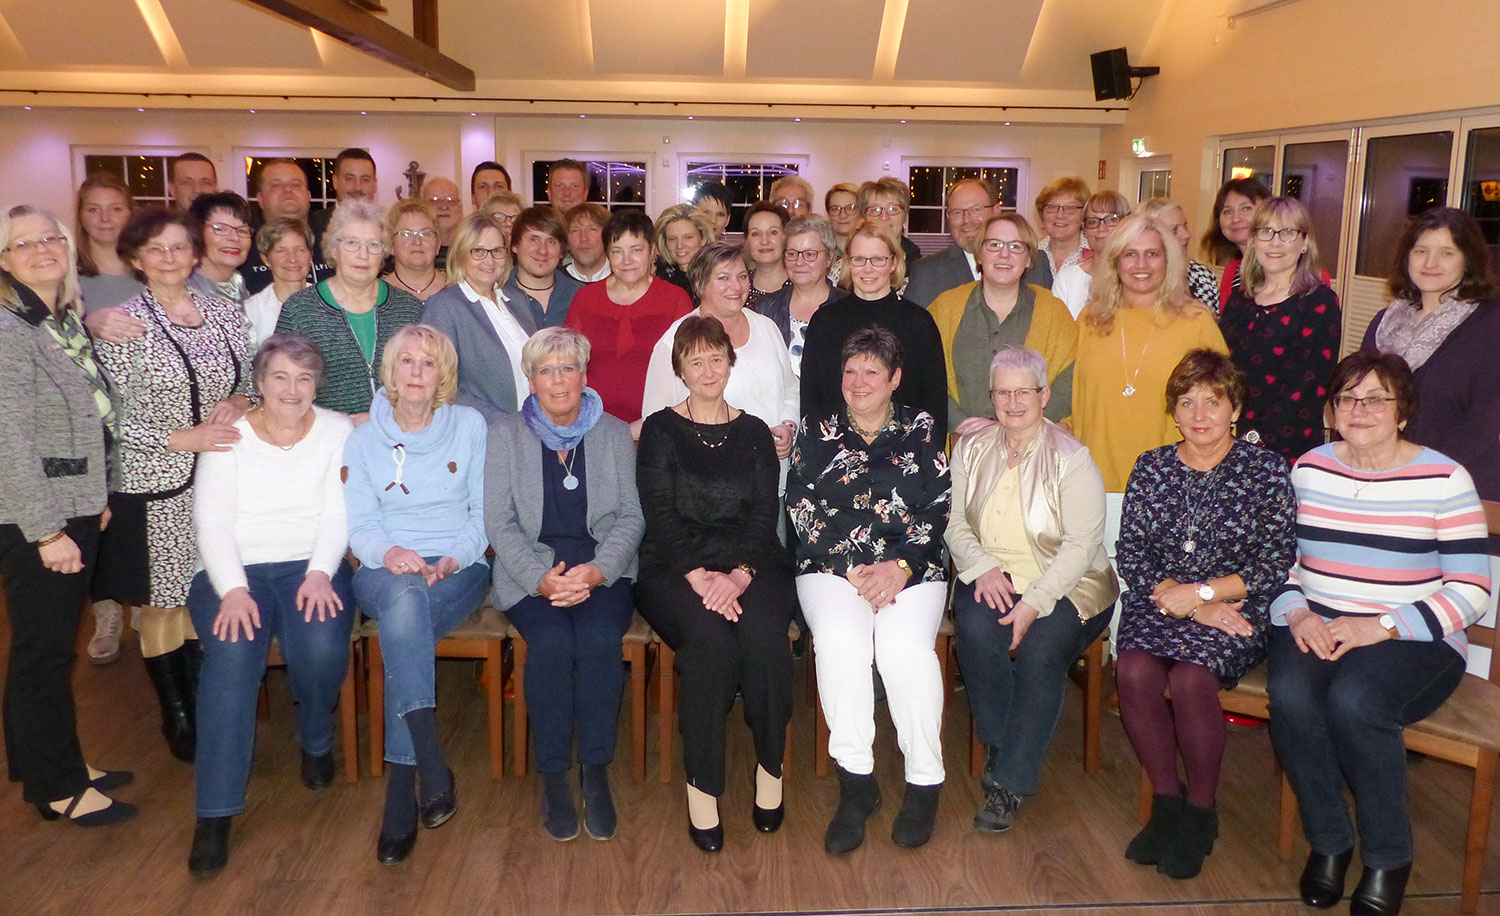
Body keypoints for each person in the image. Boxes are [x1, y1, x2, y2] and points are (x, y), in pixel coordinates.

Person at [1268, 351, 1491, 916]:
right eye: (1347, 397)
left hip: (1414, 636)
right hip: (1319, 620)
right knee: (1291, 696)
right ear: (1332, 409)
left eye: (1376, 398)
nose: (1359, 409)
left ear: (1403, 411)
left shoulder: (1444, 478)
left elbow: (1472, 591)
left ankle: (1389, 856)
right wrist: (1297, 613)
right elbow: (1277, 565)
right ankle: (1330, 842)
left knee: (1356, 701)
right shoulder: (1309, 468)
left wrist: (1382, 626)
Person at [1114, 349, 1296, 880]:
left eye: (1212, 402)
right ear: (1173, 411)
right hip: (1161, 599)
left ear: (1235, 408)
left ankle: (1201, 812)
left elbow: (1274, 561)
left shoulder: (1266, 470)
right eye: (1187, 402)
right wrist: (1184, 599)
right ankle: (1166, 801)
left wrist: (1204, 595)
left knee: (1193, 679)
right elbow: (1132, 552)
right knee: (1134, 670)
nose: (1199, 414)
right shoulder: (1151, 466)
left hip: (1236, 605)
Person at [184, 335, 355, 876]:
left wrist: (322, 572)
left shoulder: (334, 430)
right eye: (280, 377)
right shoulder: (230, 435)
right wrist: (233, 588)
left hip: (310, 563)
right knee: (232, 660)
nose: (292, 389)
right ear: (258, 383)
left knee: (323, 646)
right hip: (231, 569)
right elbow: (210, 521)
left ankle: (315, 738)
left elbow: (336, 513)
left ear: (316, 386)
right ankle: (216, 810)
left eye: (305, 378)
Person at [93, 207, 256, 764]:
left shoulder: (224, 311)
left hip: (219, 478)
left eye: (179, 247)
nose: (169, 258)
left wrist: (238, 401)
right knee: (162, 603)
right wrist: (178, 438)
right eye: (156, 249)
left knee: (205, 591)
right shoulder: (123, 322)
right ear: (136, 259)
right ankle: (176, 712)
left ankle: (205, 698)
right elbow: (109, 415)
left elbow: (250, 381)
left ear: (195, 253)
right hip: (155, 478)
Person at [635, 316, 795, 853]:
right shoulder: (659, 428)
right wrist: (700, 578)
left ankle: (769, 770)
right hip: (674, 566)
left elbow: (762, 514)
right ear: (679, 368)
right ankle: (702, 787)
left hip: (752, 563)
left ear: (731, 362)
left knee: (767, 638)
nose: (707, 369)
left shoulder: (753, 431)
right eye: (695, 360)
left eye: (715, 358)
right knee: (708, 642)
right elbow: (658, 512)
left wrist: (740, 575)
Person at [789, 327, 951, 853]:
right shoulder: (816, 428)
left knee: (904, 650)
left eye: (871, 373)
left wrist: (900, 566)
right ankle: (856, 784)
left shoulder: (923, 429)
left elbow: (938, 504)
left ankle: (924, 782)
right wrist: (857, 567)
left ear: (895, 379)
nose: (858, 383)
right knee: (842, 643)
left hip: (912, 569)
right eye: (850, 371)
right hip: (832, 567)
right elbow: (800, 506)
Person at [948, 346, 1118, 834]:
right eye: (1003, 392)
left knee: (1042, 650)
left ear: (1044, 395)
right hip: (993, 574)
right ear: (991, 397)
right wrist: (980, 566)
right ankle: (1006, 744)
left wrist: (1035, 603)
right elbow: (954, 519)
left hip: (1070, 584)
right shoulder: (972, 447)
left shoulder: (1072, 458)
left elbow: (1083, 545)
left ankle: (1010, 783)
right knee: (978, 631)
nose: (1013, 401)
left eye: (1024, 391)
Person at [0, 204, 134, 826]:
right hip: (35, 517)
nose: (42, 249)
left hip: (74, 504)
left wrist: (97, 496)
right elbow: (9, 441)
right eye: (23, 243)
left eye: (50, 238)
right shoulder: (7, 327)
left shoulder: (59, 320)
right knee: (46, 651)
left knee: (47, 645)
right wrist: (49, 530)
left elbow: (90, 417)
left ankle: (46, 762)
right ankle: (57, 786)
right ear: (4, 259)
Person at [485, 326, 645, 842]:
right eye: (546, 370)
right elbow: (499, 521)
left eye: (568, 368)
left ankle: (594, 770)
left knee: (598, 641)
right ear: (530, 380)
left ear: (583, 375)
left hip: (603, 569)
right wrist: (539, 579)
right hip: (531, 571)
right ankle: (554, 773)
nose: (558, 379)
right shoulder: (506, 434)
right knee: (551, 644)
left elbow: (631, 517)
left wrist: (599, 570)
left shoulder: (614, 433)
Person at [343, 324, 492, 865]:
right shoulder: (362, 441)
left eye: (428, 364)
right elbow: (359, 526)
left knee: (405, 622)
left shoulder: (470, 426)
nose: (416, 373)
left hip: (459, 567)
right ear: (390, 369)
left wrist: (454, 555)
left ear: (443, 376)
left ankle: (403, 787)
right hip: (384, 570)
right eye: (407, 361)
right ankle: (426, 763)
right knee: (404, 600)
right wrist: (392, 555)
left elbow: (483, 515)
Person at [1071, 214, 1229, 493]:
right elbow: (1077, 403)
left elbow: (1224, 404)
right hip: (1095, 483)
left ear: (1168, 262)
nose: (1141, 264)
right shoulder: (1089, 321)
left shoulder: (1196, 322)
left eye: (1152, 254)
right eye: (1130, 254)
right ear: (1114, 262)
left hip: (1174, 486)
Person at [1361, 206, 1500, 501]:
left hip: (1455, 486)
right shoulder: (1383, 323)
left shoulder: (1490, 325)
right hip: (1381, 479)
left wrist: (1419, 473)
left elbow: (1483, 423)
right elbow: (1360, 401)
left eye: (1447, 253)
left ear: (1468, 261)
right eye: (1420, 251)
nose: (1431, 263)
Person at [641, 241, 798, 461]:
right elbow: (655, 424)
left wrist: (788, 426)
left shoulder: (766, 327)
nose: (736, 286)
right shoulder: (675, 342)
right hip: (706, 476)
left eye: (742, 276)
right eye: (724, 278)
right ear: (700, 283)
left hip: (771, 474)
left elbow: (791, 389)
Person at [927, 213, 1077, 436]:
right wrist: (958, 422)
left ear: (1028, 258)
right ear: (979, 254)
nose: (1004, 254)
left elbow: (1070, 379)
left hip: (1033, 445)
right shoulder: (945, 308)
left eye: (1016, 246)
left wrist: (1025, 425)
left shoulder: (1053, 312)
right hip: (963, 446)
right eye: (994, 244)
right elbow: (926, 375)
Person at [274, 200, 422, 421]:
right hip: (329, 441)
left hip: (401, 434)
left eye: (373, 245)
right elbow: (281, 388)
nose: (363, 255)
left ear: (384, 252)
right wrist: (339, 425)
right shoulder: (301, 310)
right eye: (352, 243)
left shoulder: (408, 308)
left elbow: (429, 381)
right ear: (334, 248)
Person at [1220, 197, 1342, 460]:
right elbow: (1224, 370)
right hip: (1229, 437)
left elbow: (1311, 383)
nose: (1275, 242)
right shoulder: (1238, 300)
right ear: (1253, 241)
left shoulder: (1319, 302)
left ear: (1304, 243)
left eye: (1287, 233)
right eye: (1265, 232)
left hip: (1288, 444)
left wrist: (1255, 437)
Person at [799, 220, 946, 428]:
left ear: (893, 263)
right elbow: (811, 401)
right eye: (859, 259)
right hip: (835, 449)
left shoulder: (919, 323)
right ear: (848, 263)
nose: (868, 269)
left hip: (905, 451)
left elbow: (934, 404)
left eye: (878, 259)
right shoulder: (825, 322)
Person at [564, 209, 693, 428]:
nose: (627, 260)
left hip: (659, 426)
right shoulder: (586, 299)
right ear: (607, 254)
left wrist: (649, 424)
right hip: (593, 425)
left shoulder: (676, 300)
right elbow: (567, 362)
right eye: (617, 251)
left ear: (652, 251)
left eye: (636, 250)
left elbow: (688, 371)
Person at [421, 211, 536, 424]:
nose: (489, 260)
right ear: (461, 254)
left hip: (532, 429)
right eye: (479, 251)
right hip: (484, 433)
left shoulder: (516, 299)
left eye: (497, 251)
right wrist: (506, 425)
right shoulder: (445, 307)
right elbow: (440, 386)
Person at [752, 213, 839, 376]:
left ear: (829, 257)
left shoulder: (847, 308)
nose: (799, 262)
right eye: (792, 254)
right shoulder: (764, 308)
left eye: (810, 254)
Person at [903, 178, 997, 308]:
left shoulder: (1027, 268)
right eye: (957, 213)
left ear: (996, 211)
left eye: (976, 210)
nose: (967, 220)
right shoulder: (927, 273)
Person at [243, 159, 331, 295]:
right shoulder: (244, 243)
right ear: (260, 198)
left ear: (309, 196)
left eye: (296, 184)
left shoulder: (332, 241)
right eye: (276, 185)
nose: (288, 190)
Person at [1052, 191, 1131, 318]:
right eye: (1093, 222)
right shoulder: (1067, 278)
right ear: (1085, 231)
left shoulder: (1134, 277)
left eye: (1111, 220)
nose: (1101, 228)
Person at [505, 206, 584, 329]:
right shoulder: (497, 296)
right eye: (534, 240)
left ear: (562, 251)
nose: (543, 250)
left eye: (551, 241)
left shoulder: (580, 296)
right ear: (515, 245)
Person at [1200, 177, 1271, 314]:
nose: (1236, 218)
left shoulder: (1290, 269)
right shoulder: (1232, 271)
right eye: (1227, 211)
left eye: (1246, 208)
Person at [1136, 197, 1219, 314]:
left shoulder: (1201, 276)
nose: (1186, 235)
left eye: (1185, 225)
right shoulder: (1139, 277)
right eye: (1174, 230)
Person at [74, 171, 143, 313]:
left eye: (116, 209)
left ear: (130, 214)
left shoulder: (153, 270)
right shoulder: (68, 277)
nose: (105, 218)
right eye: (93, 210)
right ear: (80, 215)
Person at [241, 218, 312, 346]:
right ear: (266, 259)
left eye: (300, 249)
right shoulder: (250, 311)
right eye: (281, 251)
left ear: (310, 256)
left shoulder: (331, 303)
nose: (292, 259)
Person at [187, 192, 253, 307]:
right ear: (197, 233)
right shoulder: (184, 290)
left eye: (242, 230)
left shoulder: (238, 282)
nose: (234, 237)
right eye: (221, 229)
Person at [381, 199, 446, 302]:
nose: (417, 242)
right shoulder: (377, 294)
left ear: (438, 244)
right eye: (406, 234)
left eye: (426, 234)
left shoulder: (458, 288)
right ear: (391, 245)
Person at [1032, 177, 1092, 287]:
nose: (1060, 215)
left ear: (1084, 214)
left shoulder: (1096, 256)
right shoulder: (1030, 255)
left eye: (1070, 208)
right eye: (1052, 207)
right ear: (1042, 213)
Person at [310, 148, 378, 239]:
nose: (357, 187)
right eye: (349, 178)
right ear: (335, 182)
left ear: (375, 185)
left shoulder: (388, 229)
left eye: (365, 179)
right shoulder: (312, 226)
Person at [856, 177, 922, 270]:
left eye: (892, 209)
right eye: (875, 210)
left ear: (905, 215)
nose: (883, 217)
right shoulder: (846, 266)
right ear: (864, 217)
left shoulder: (919, 268)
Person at [654, 204, 712, 302]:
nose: (680, 245)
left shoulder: (716, 275)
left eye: (688, 237)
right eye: (672, 239)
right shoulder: (657, 277)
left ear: (703, 238)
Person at [742, 201, 791, 308]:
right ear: (747, 240)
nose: (764, 241)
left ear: (785, 237)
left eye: (773, 232)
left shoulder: (798, 285)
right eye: (755, 234)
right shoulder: (739, 285)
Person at [422, 176, 464, 269]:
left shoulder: (469, 250)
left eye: (451, 200)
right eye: (434, 201)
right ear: (421, 207)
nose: (444, 207)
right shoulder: (414, 250)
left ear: (460, 209)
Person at [565, 203, 612, 283]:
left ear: (607, 236)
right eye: (575, 230)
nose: (583, 238)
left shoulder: (624, 279)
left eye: (592, 229)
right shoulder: (554, 282)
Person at [824, 182, 862, 257]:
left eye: (850, 208)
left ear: (861, 211)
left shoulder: (872, 248)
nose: (843, 215)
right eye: (835, 209)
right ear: (828, 213)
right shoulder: (820, 250)